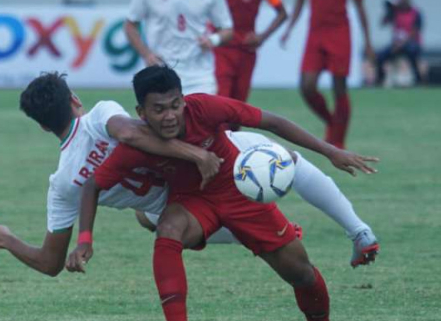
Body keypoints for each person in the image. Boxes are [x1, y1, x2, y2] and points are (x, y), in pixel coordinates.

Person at [67, 66, 379, 321]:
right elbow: (93, 185)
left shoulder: (205, 108)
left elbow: (272, 121)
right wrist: (85, 240)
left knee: (301, 275)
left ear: (184, 100)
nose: (170, 115)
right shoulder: (138, 144)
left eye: (175, 104)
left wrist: (329, 150)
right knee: (168, 228)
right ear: (142, 112)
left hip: (239, 191)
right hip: (193, 202)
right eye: (158, 109)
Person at [0, 72, 226, 276]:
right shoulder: (99, 116)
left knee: (146, 216)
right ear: (74, 100)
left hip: (182, 214)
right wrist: (198, 154)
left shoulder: (62, 184)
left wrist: (8, 239)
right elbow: (132, 133)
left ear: (43, 126)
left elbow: (50, 263)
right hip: (212, 175)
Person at [280, 0, 374, 149]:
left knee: (339, 86)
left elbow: (359, 6)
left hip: (339, 33)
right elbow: (300, 0)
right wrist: (289, 28)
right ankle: (331, 122)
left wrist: (367, 41)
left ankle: (338, 140)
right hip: (315, 34)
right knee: (306, 86)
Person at [124, 0, 234, 95]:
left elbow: (227, 29)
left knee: (202, 117)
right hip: (161, 72)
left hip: (200, 76)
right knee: (163, 117)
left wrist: (212, 40)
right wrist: (146, 54)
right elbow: (130, 25)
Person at [204, 0, 288, 102]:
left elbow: (281, 12)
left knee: (238, 106)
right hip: (219, 50)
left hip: (245, 51)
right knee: (220, 102)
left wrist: (262, 37)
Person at [375, 0, 424, 86]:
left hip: (411, 43)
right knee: (380, 57)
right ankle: (379, 79)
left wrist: (401, 45)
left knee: (412, 53)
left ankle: (418, 79)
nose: (400, 0)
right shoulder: (395, 12)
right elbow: (382, 23)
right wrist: (389, 10)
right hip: (396, 44)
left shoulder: (416, 13)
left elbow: (414, 33)